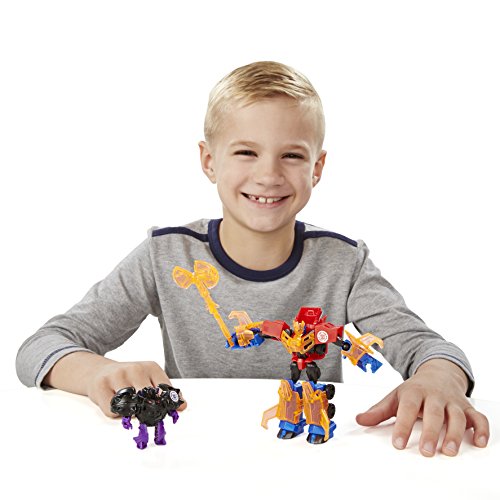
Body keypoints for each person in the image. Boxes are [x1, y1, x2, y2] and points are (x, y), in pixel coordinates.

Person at [16, 61, 489, 456]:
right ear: (209, 161)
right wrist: (97, 372)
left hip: (310, 460)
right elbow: (41, 347)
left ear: (317, 168)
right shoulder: (165, 255)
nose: (268, 175)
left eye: (292, 156)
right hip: (195, 455)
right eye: (246, 151)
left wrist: (439, 377)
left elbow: (426, 347)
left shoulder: (344, 263)